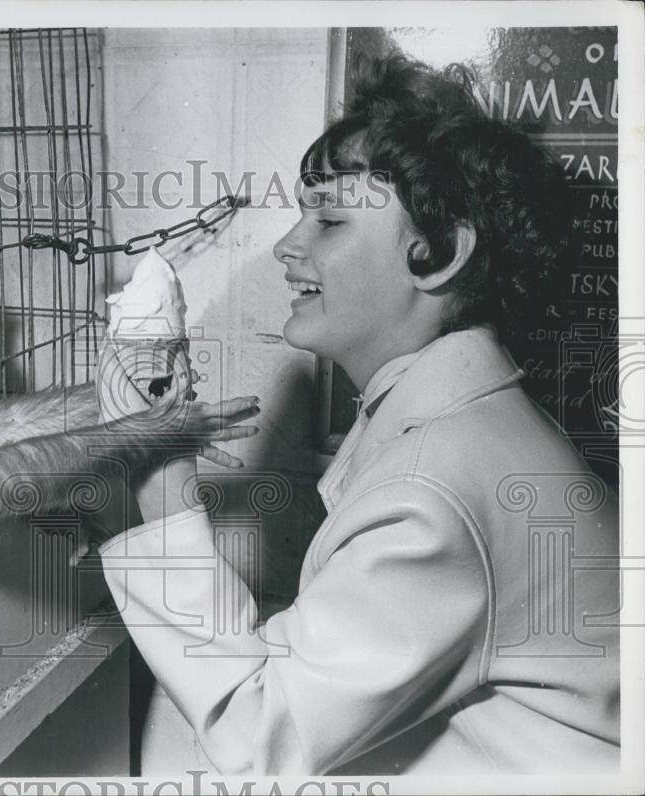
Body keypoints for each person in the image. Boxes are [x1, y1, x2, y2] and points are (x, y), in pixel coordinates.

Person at [94, 54, 620, 775]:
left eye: (330, 219)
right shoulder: (469, 425)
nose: (286, 246)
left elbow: (253, 749)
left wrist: (163, 492)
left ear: (437, 255)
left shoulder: (431, 492)